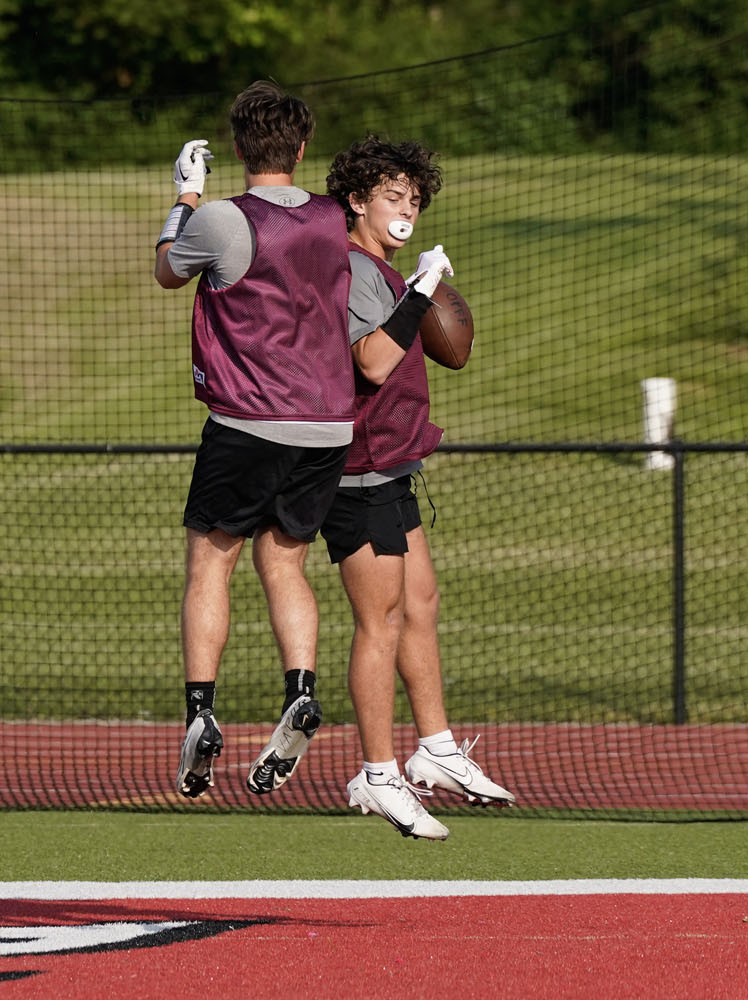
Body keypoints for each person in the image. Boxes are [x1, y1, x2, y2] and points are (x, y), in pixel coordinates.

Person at [154, 81, 355, 800]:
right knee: (287, 564)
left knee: (210, 564)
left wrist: (182, 197)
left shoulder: (219, 219)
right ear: (301, 149)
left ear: (238, 148)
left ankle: (201, 712)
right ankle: (297, 688)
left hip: (246, 421)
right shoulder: (335, 217)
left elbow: (166, 271)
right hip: (328, 423)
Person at [322, 136, 515, 839]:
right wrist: (426, 287)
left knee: (422, 602)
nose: (407, 210)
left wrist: (420, 287)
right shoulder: (348, 270)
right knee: (380, 622)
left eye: (414, 199)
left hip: (395, 463)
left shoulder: (388, 272)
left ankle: (434, 750)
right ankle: (376, 773)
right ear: (356, 200)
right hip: (356, 470)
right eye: (392, 196)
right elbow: (372, 362)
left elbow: (449, 352)